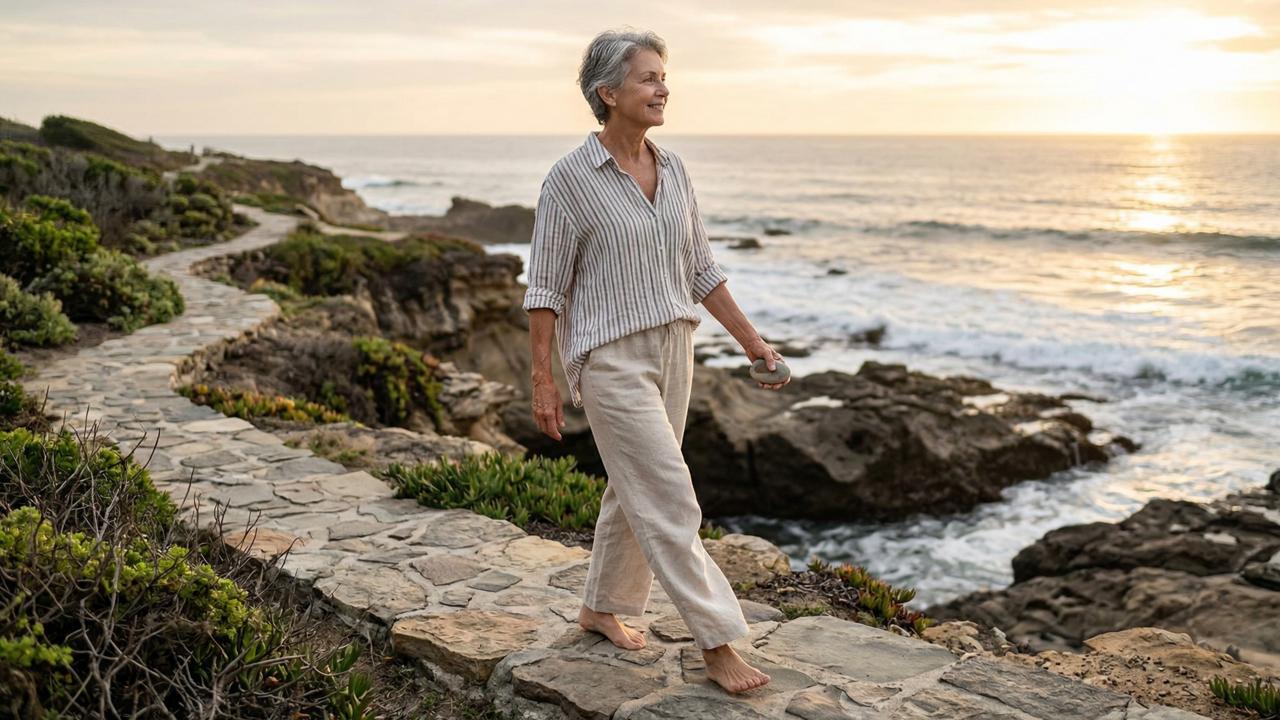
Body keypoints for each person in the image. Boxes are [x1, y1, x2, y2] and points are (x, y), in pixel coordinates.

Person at [523, 27, 788, 694]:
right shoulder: (570, 180)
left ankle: (601, 606)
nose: (663, 87)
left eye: (663, 76)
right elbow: (545, 287)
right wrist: (543, 380)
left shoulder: (673, 171)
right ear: (607, 93)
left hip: (676, 349)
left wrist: (752, 342)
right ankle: (719, 640)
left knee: (632, 489)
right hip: (609, 360)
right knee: (669, 495)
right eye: (647, 77)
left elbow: (701, 268)